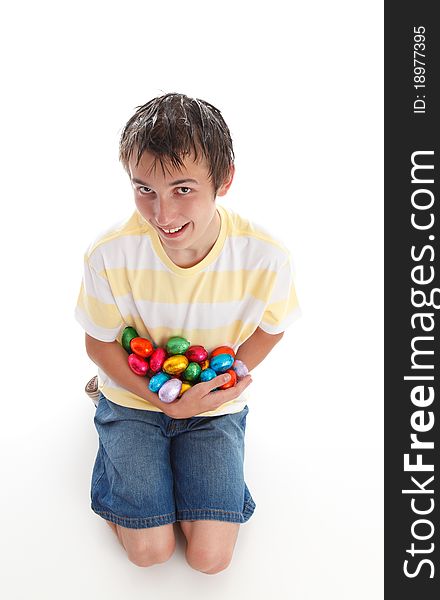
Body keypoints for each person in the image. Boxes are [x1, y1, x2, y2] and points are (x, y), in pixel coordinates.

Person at [75, 93, 301, 574]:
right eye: (144, 189)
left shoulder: (265, 255)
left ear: (223, 180)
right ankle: (107, 409)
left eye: (182, 189)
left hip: (210, 400)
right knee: (150, 552)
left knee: (209, 559)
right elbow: (98, 343)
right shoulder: (110, 253)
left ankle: (165, 466)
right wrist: (160, 399)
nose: (162, 214)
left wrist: (227, 378)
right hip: (137, 395)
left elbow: (272, 328)